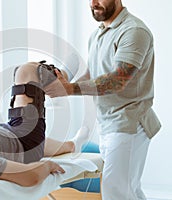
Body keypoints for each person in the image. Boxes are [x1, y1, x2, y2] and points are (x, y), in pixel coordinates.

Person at [45, 0, 161, 199]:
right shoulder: (97, 34)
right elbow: (92, 75)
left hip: (129, 123)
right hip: (109, 123)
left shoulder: (134, 31)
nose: (93, 3)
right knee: (129, 190)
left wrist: (70, 89)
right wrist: (64, 84)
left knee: (115, 191)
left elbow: (118, 80)